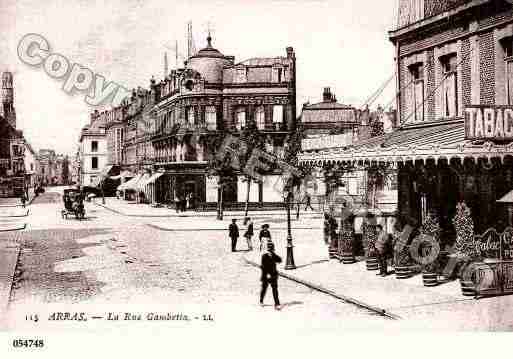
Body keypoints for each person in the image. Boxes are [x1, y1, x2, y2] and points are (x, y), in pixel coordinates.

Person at [260, 241, 282, 310]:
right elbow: (263, 267)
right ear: (267, 250)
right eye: (269, 249)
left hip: (273, 276)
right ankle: (261, 300)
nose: (270, 251)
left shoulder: (273, 255)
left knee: (275, 290)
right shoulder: (264, 256)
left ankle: (277, 304)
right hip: (266, 276)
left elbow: (280, 260)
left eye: (271, 249)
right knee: (264, 289)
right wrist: (267, 275)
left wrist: (274, 254)